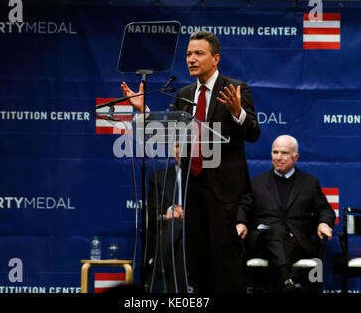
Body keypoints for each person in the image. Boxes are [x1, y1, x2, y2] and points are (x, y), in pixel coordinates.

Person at [122, 31, 260, 292]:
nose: (191, 59)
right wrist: (145, 112)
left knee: (226, 264)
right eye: (188, 54)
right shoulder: (184, 94)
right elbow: (170, 134)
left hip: (225, 194)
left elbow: (254, 134)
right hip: (191, 190)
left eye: (199, 53)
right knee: (197, 264)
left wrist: (236, 112)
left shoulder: (235, 89)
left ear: (215, 58)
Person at [236, 134, 335, 293]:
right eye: (275, 152)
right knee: (274, 230)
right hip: (262, 241)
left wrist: (324, 223)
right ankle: (286, 281)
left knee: (278, 232)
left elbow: (325, 209)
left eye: (284, 153)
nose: (278, 157)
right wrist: (240, 223)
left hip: (296, 243)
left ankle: (284, 281)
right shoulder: (256, 183)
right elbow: (243, 207)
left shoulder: (310, 183)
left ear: (296, 157)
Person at [145, 143, 187, 293]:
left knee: (179, 231)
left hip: (195, 231)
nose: (181, 150)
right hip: (168, 231)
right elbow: (152, 212)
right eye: (177, 146)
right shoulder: (158, 177)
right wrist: (171, 210)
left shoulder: (203, 177)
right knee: (178, 238)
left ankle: (153, 276)